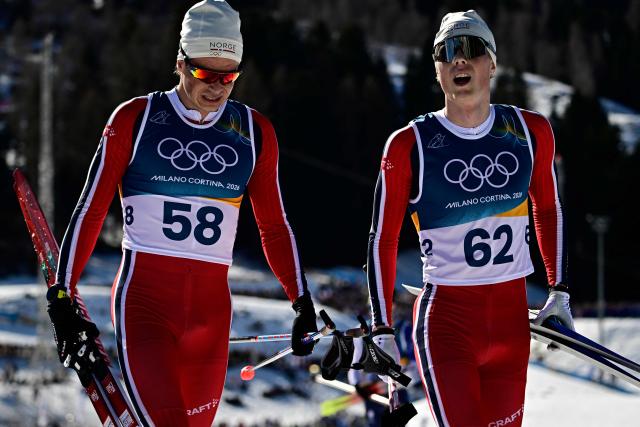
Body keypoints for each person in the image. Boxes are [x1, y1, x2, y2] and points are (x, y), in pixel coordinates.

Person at [44, 1, 318, 426]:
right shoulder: (136, 119)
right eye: (204, 74)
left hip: (210, 318)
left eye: (228, 76)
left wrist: (301, 301)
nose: (216, 87)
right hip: (146, 307)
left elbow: (274, 227)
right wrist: (62, 296)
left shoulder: (254, 132)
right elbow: (91, 208)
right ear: (180, 63)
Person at [364, 10, 574, 427]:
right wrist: (381, 327)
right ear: (437, 69)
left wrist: (559, 292)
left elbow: (548, 209)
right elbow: (382, 239)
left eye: (472, 49)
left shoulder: (530, 132)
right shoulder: (410, 145)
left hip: (512, 327)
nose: (460, 60)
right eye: (448, 52)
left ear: (492, 63)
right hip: (448, 327)